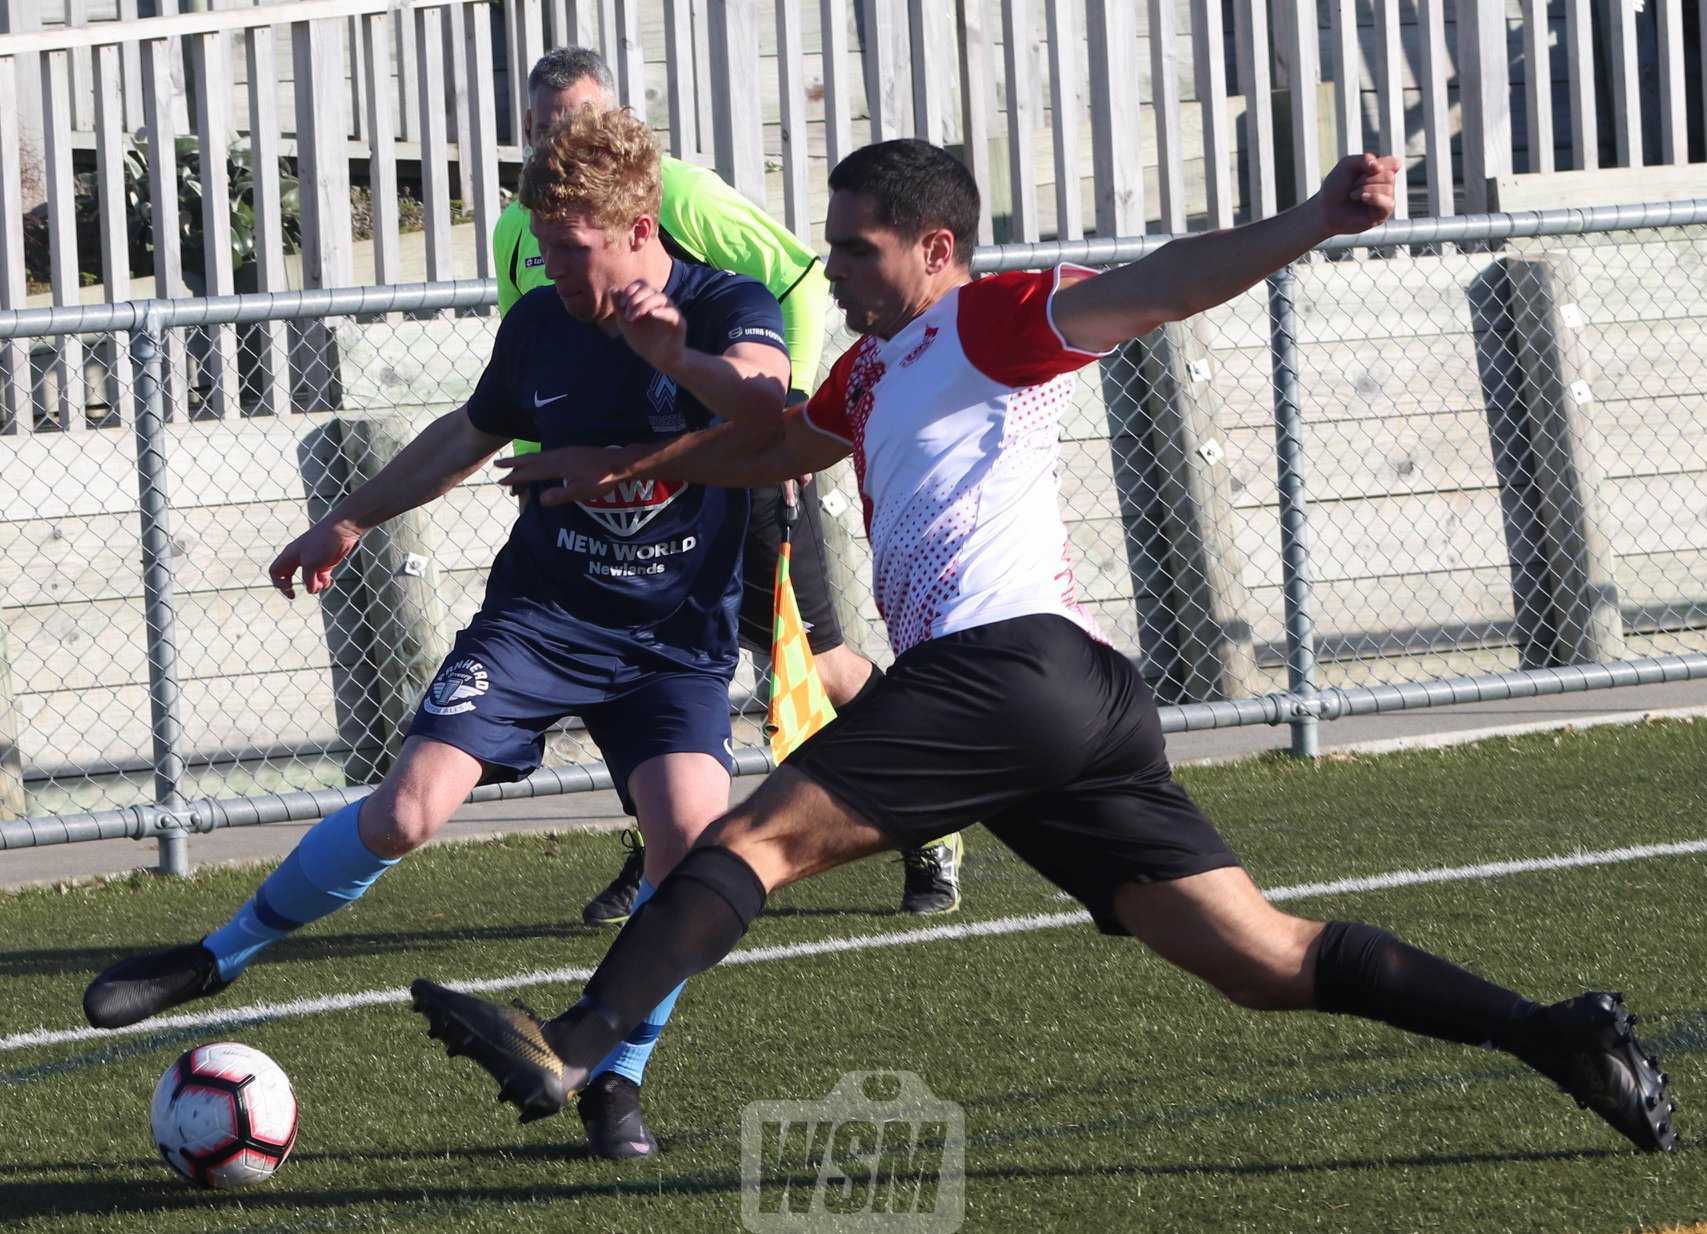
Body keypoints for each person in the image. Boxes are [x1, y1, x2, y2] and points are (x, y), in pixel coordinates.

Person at [407, 139, 1678, 1156]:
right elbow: (769, 444)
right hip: (1064, 701)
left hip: (1000, 668)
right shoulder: (871, 367)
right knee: (1260, 958)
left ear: (937, 249)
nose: (832, 265)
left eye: (856, 246)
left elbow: (1169, 279)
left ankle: (573, 1042)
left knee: (751, 841)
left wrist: (1314, 218)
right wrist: (627, 457)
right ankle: (1556, 1034)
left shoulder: (996, 320)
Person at [82, 106, 794, 1161]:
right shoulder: (544, 322)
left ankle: (615, 1079)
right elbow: (472, 430)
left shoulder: (726, 302)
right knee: (411, 809)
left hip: (670, 639)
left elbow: (769, 414)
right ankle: (216, 953)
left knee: (690, 850)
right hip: (543, 617)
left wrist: (669, 371)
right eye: (542, 247)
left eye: (570, 249)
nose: (550, 269)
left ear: (640, 223)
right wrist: (350, 516)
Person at [497, 48, 965, 922]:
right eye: (539, 128)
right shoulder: (518, 229)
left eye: (575, 120)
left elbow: (789, 275)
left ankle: (930, 823)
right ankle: (660, 850)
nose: (558, 141)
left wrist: (777, 425)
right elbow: (532, 362)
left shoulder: (678, 194)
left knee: (813, 662)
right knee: (625, 675)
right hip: (606, 503)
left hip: (723, 475)